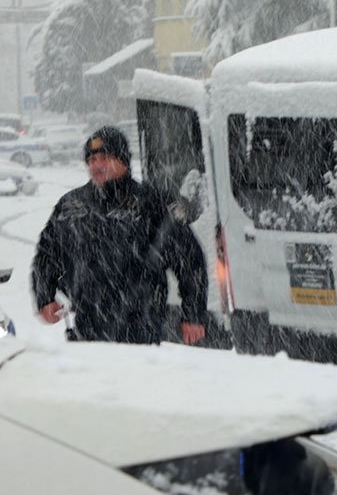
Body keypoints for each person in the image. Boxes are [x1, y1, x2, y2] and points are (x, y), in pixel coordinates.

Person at [32, 126, 208, 345]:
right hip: (87, 327)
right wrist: (45, 297)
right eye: (91, 160)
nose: (97, 165)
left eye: (105, 158)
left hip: (141, 328)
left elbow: (190, 261)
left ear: (123, 161)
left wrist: (193, 315)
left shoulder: (152, 203)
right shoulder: (72, 206)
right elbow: (46, 255)